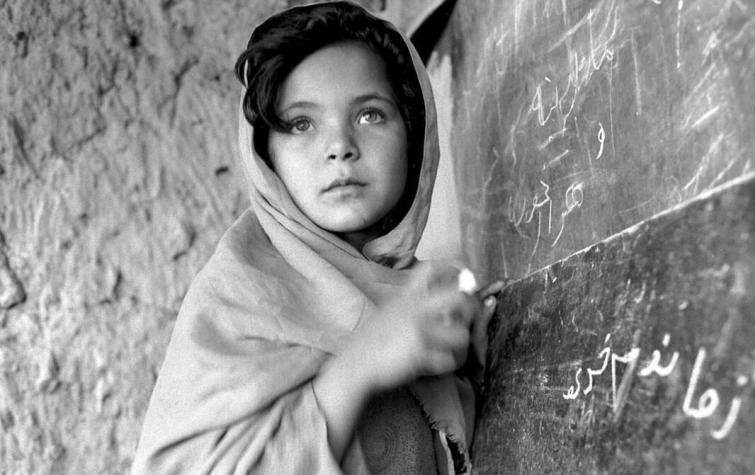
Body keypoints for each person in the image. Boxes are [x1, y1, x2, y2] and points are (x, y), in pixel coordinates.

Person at [131, 2, 503, 473]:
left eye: (370, 115)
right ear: (267, 158)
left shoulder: (423, 296)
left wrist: (471, 367)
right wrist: (359, 366)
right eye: (301, 124)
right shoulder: (237, 300)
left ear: (414, 133)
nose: (339, 147)